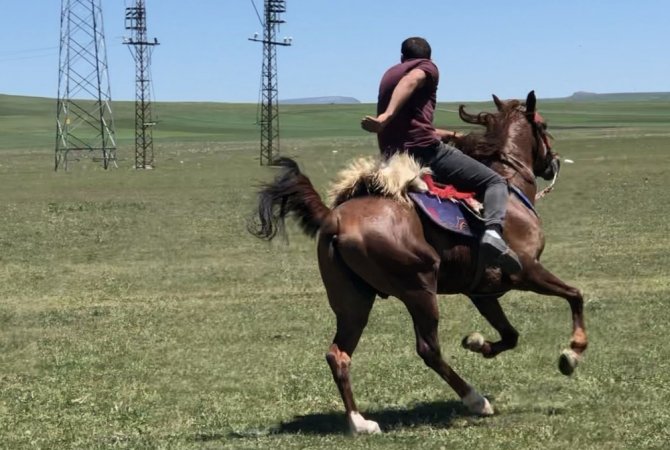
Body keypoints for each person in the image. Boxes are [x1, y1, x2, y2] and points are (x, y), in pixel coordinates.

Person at [361, 36, 522, 274]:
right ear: (428, 58)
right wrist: (387, 117)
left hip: (393, 157)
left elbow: (413, 125)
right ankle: (492, 234)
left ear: (402, 57)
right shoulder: (425, 68)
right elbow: (412, 80)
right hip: (424, 153)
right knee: (494, 181)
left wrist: (453, 135)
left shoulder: (389, 75)